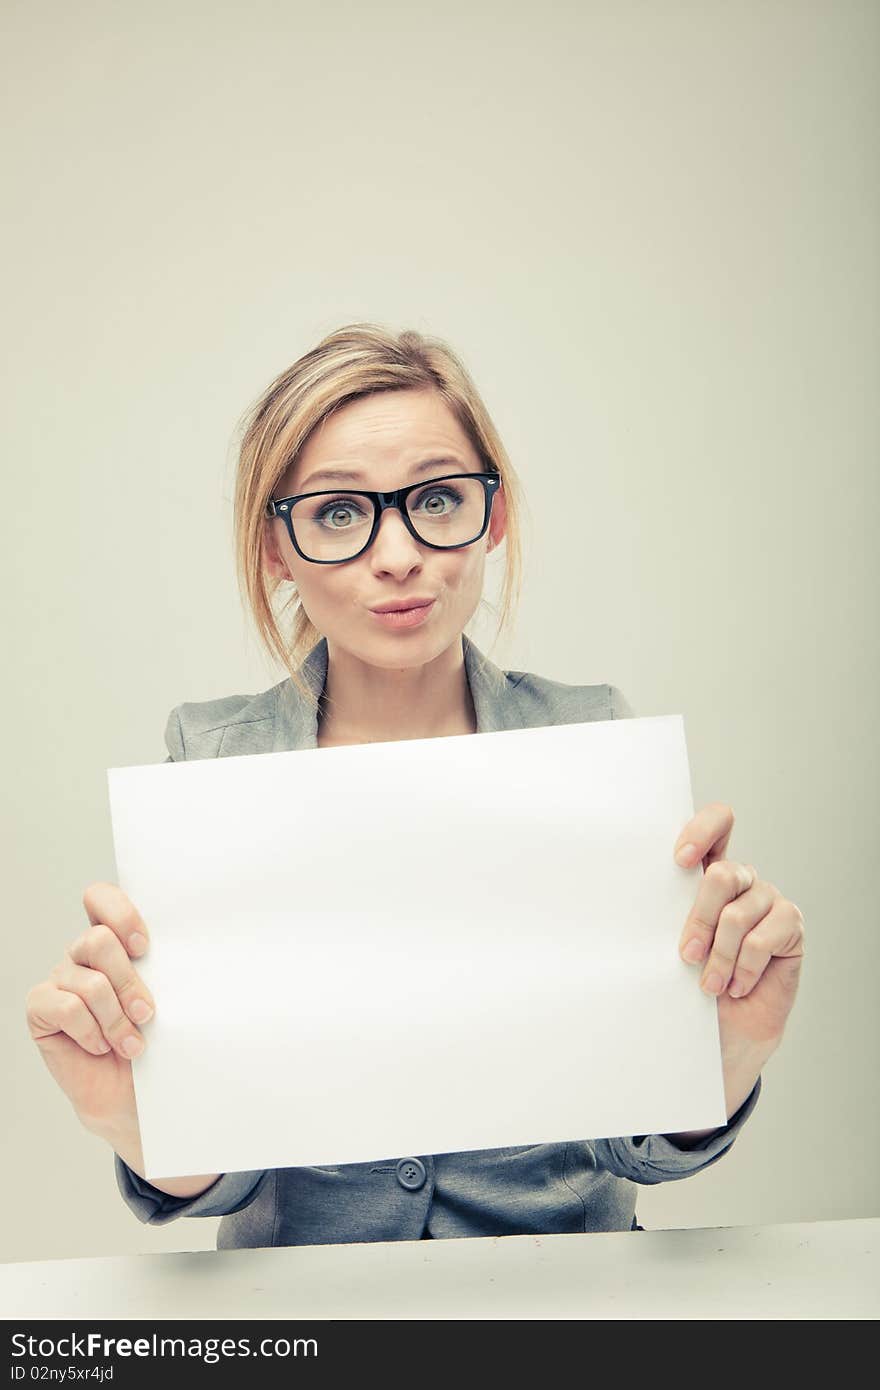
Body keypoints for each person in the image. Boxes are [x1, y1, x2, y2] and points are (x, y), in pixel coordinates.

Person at [25, 323, 805, 1248]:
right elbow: (222, 1172)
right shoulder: (210, 762)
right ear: (276, 547)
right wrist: (133, 1119)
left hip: (566, 1299)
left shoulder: (589, 740)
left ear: (494, 515)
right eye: (339, 513)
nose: (397, 555)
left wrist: (725, 1056)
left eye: (436, 499)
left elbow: (630, 1144)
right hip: (307, 1319)